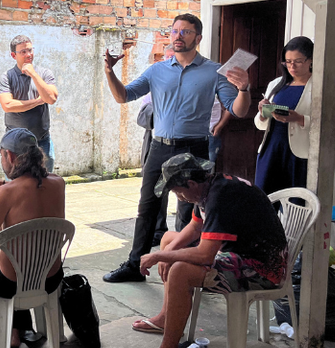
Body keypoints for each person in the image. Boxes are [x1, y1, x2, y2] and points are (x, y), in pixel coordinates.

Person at [103, 14, 251, 283]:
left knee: (190, 209)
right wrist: (110, 72)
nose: (178, 36)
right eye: (175, 31)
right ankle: (135, 265)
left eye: (186, 31)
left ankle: (183, 269)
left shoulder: (214, 72)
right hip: (160, 147)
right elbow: (123, 96)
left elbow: (238, 111)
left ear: (198, 38)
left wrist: (244, 89)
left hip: (194, 149)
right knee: (148, 206)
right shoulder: (157, 70)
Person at [124, 153, 288, 348]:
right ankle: (166, 317)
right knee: (169, 239)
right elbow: (194, 227)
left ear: (191, 184)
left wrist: (160, 256)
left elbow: (204, 255)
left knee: (180, 271)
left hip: (262, 269)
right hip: (239, 254)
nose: (179, 198)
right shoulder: (208, 187)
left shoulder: (221, 196)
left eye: (178, 192)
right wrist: (167, 250)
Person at [0, 128, 66, 348]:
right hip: (50, 279)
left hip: (10, 285)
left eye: (1, 155)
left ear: (9, 156)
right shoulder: (58, 183)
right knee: (9, 259)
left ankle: (11, 332)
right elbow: (33, 187)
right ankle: (21, 327)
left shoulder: (6, 193)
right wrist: (4, 182)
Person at [254, 36, 335, 195]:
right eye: (288, 62)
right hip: (271, 150)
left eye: (298, 61)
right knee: (264, 200)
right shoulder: (275, 84)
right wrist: (263, 113)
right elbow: (260, 124)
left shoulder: (323, 87)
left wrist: (300, 119)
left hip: (300, 155)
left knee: (296, 203)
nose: (292, 66)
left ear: (311, 60)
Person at [0, 35, 59, 172]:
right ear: (13, 55)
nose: (28, 54)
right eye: (23, 52)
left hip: (41, 141)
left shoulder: (44, 73)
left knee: (44, 181)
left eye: (30, 50)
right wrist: (38, 101)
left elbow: (51, 98)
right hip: (15, 144)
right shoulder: (7, 77)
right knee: (15, 183)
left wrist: (34, 74)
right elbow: (7, 105)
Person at [138, 46, 176, 246]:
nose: (169, 62)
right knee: (155, 190)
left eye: (173, 58)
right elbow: (142, 116)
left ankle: (186, 234)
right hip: (155, 142)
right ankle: (157, 231)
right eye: (166, 58)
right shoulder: (155, 83)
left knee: (187, 191)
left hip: (184, 143)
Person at [208, 97, 231, 163]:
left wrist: (219, 126)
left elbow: (230, 106)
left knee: (208, 165)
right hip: (188, 133)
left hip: (210, 133)